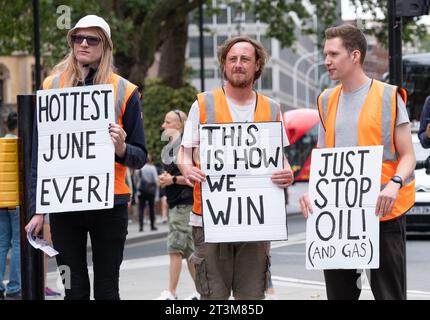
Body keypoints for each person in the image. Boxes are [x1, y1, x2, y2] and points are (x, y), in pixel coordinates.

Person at [25, 15, 147, 300]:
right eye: (77, 38)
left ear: (104, 46)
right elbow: (39, 157)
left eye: (92, 39)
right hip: (65, 205)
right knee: (73, 289)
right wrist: (37, 209)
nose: (83, 44)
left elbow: (140, 156)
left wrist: (121, 150)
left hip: (111, 204)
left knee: (107, 289)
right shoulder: (51, 86)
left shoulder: (125, 90)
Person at [299, 24, 416, 300]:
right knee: (339, 295)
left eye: (333, 54)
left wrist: (394, 184)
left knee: (389, 295)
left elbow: (408, 155)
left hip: (383, 211)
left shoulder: (388, 96)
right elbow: (323, 156)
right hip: (338, 215)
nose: (326, 60)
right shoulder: (326, 100)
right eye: (325, 53)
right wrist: (312, 191)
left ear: (354, 56)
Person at [178, 36, 294, 300]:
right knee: (213, 296)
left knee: (252, 297)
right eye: (232, 59)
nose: (238, 64)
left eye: (245, 59)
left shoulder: (272, 108)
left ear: (257, 65)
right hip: (209, 220)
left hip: (256, 221)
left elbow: (280, 157)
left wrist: (287, 171)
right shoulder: (203, 104)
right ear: (223, 64)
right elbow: (184, 152)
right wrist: (186, 168)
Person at [156, 110, 198, 300]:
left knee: (175, 248)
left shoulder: (184, 147)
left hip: (183, 204)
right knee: (189, 252)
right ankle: (201, 291)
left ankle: (171, 293)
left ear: (179, 126)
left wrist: (171, 179)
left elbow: (194, 177)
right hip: (179, 203)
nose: (163, 126)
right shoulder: (174, 147)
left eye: (167, 122)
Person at [0, 112, 21, 300]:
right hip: (16, 201)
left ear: (6, 126)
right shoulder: (20, 144)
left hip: (1, 200)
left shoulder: (0, 143)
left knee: (1, 244)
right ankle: (14, 287)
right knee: (17, 243)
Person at [135, 155, 158, 231]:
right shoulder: (152, 168)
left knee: (141, 208)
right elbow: (155, 180)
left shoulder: (138, 169)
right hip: (150, 191)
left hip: (141, 191)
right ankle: (152, 226)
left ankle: (141, 227)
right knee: (151, 208)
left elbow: (135, 180)